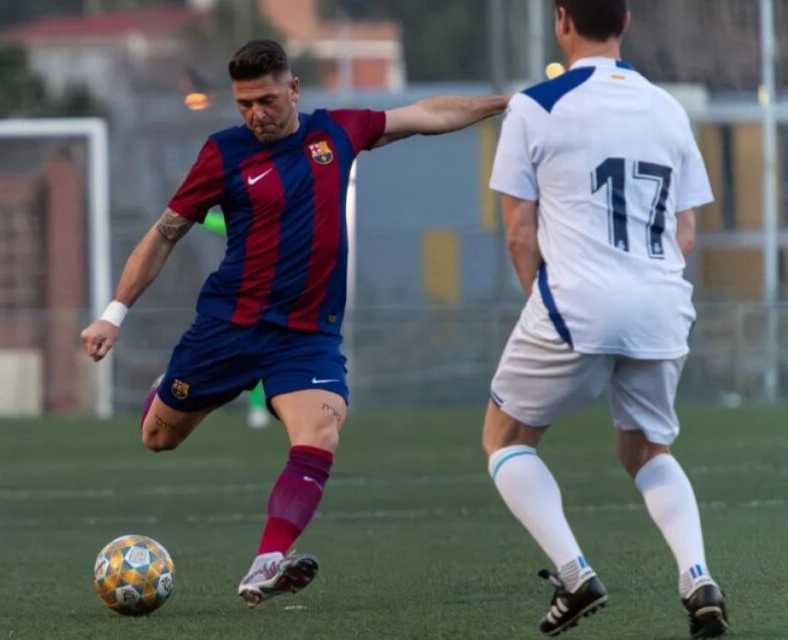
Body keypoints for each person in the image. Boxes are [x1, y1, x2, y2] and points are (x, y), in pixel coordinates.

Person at [81, 39, 507, 607]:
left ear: (293, 89)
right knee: (158, 438)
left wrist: (508, 103)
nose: (256, 114)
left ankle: (268, 559)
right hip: (228, 329)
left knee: (320, 433)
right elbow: (165, 234)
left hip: (306, 338)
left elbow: (427, 115)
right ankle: (171, 388)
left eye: (265, 100)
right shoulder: (224, 154)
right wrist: (115, 314)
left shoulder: (337, 133)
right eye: (243, 105)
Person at [484, 1, 727, 637]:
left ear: (561, 20)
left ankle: (574, 573)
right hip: (662, 302)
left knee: (504, 439)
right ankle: (697, 576)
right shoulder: (667, 108)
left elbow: (518, 231)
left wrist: (544, 303)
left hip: (577, 302)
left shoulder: (534, 106)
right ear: (624, 21)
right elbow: (687, 232)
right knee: (647, 448)